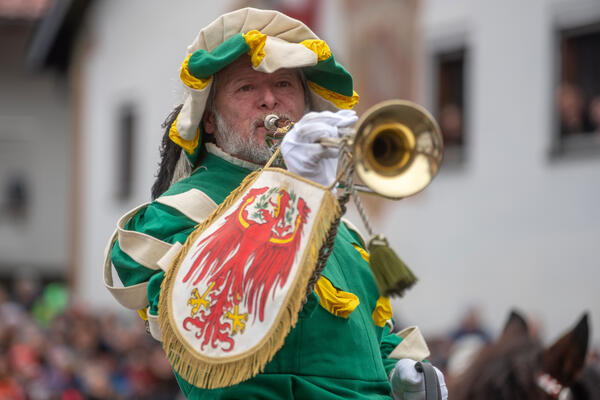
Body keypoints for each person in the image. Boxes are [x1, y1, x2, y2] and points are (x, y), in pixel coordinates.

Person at [103, 7, 446, 399]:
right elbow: (212, 323)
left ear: (305, 104)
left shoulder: (343, 229)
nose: (269, 100)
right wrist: (288, 195)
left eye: (284, 84)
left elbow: (369, 341)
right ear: (210, 119)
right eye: (246, 88)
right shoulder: (178, 213)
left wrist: (401, 374)